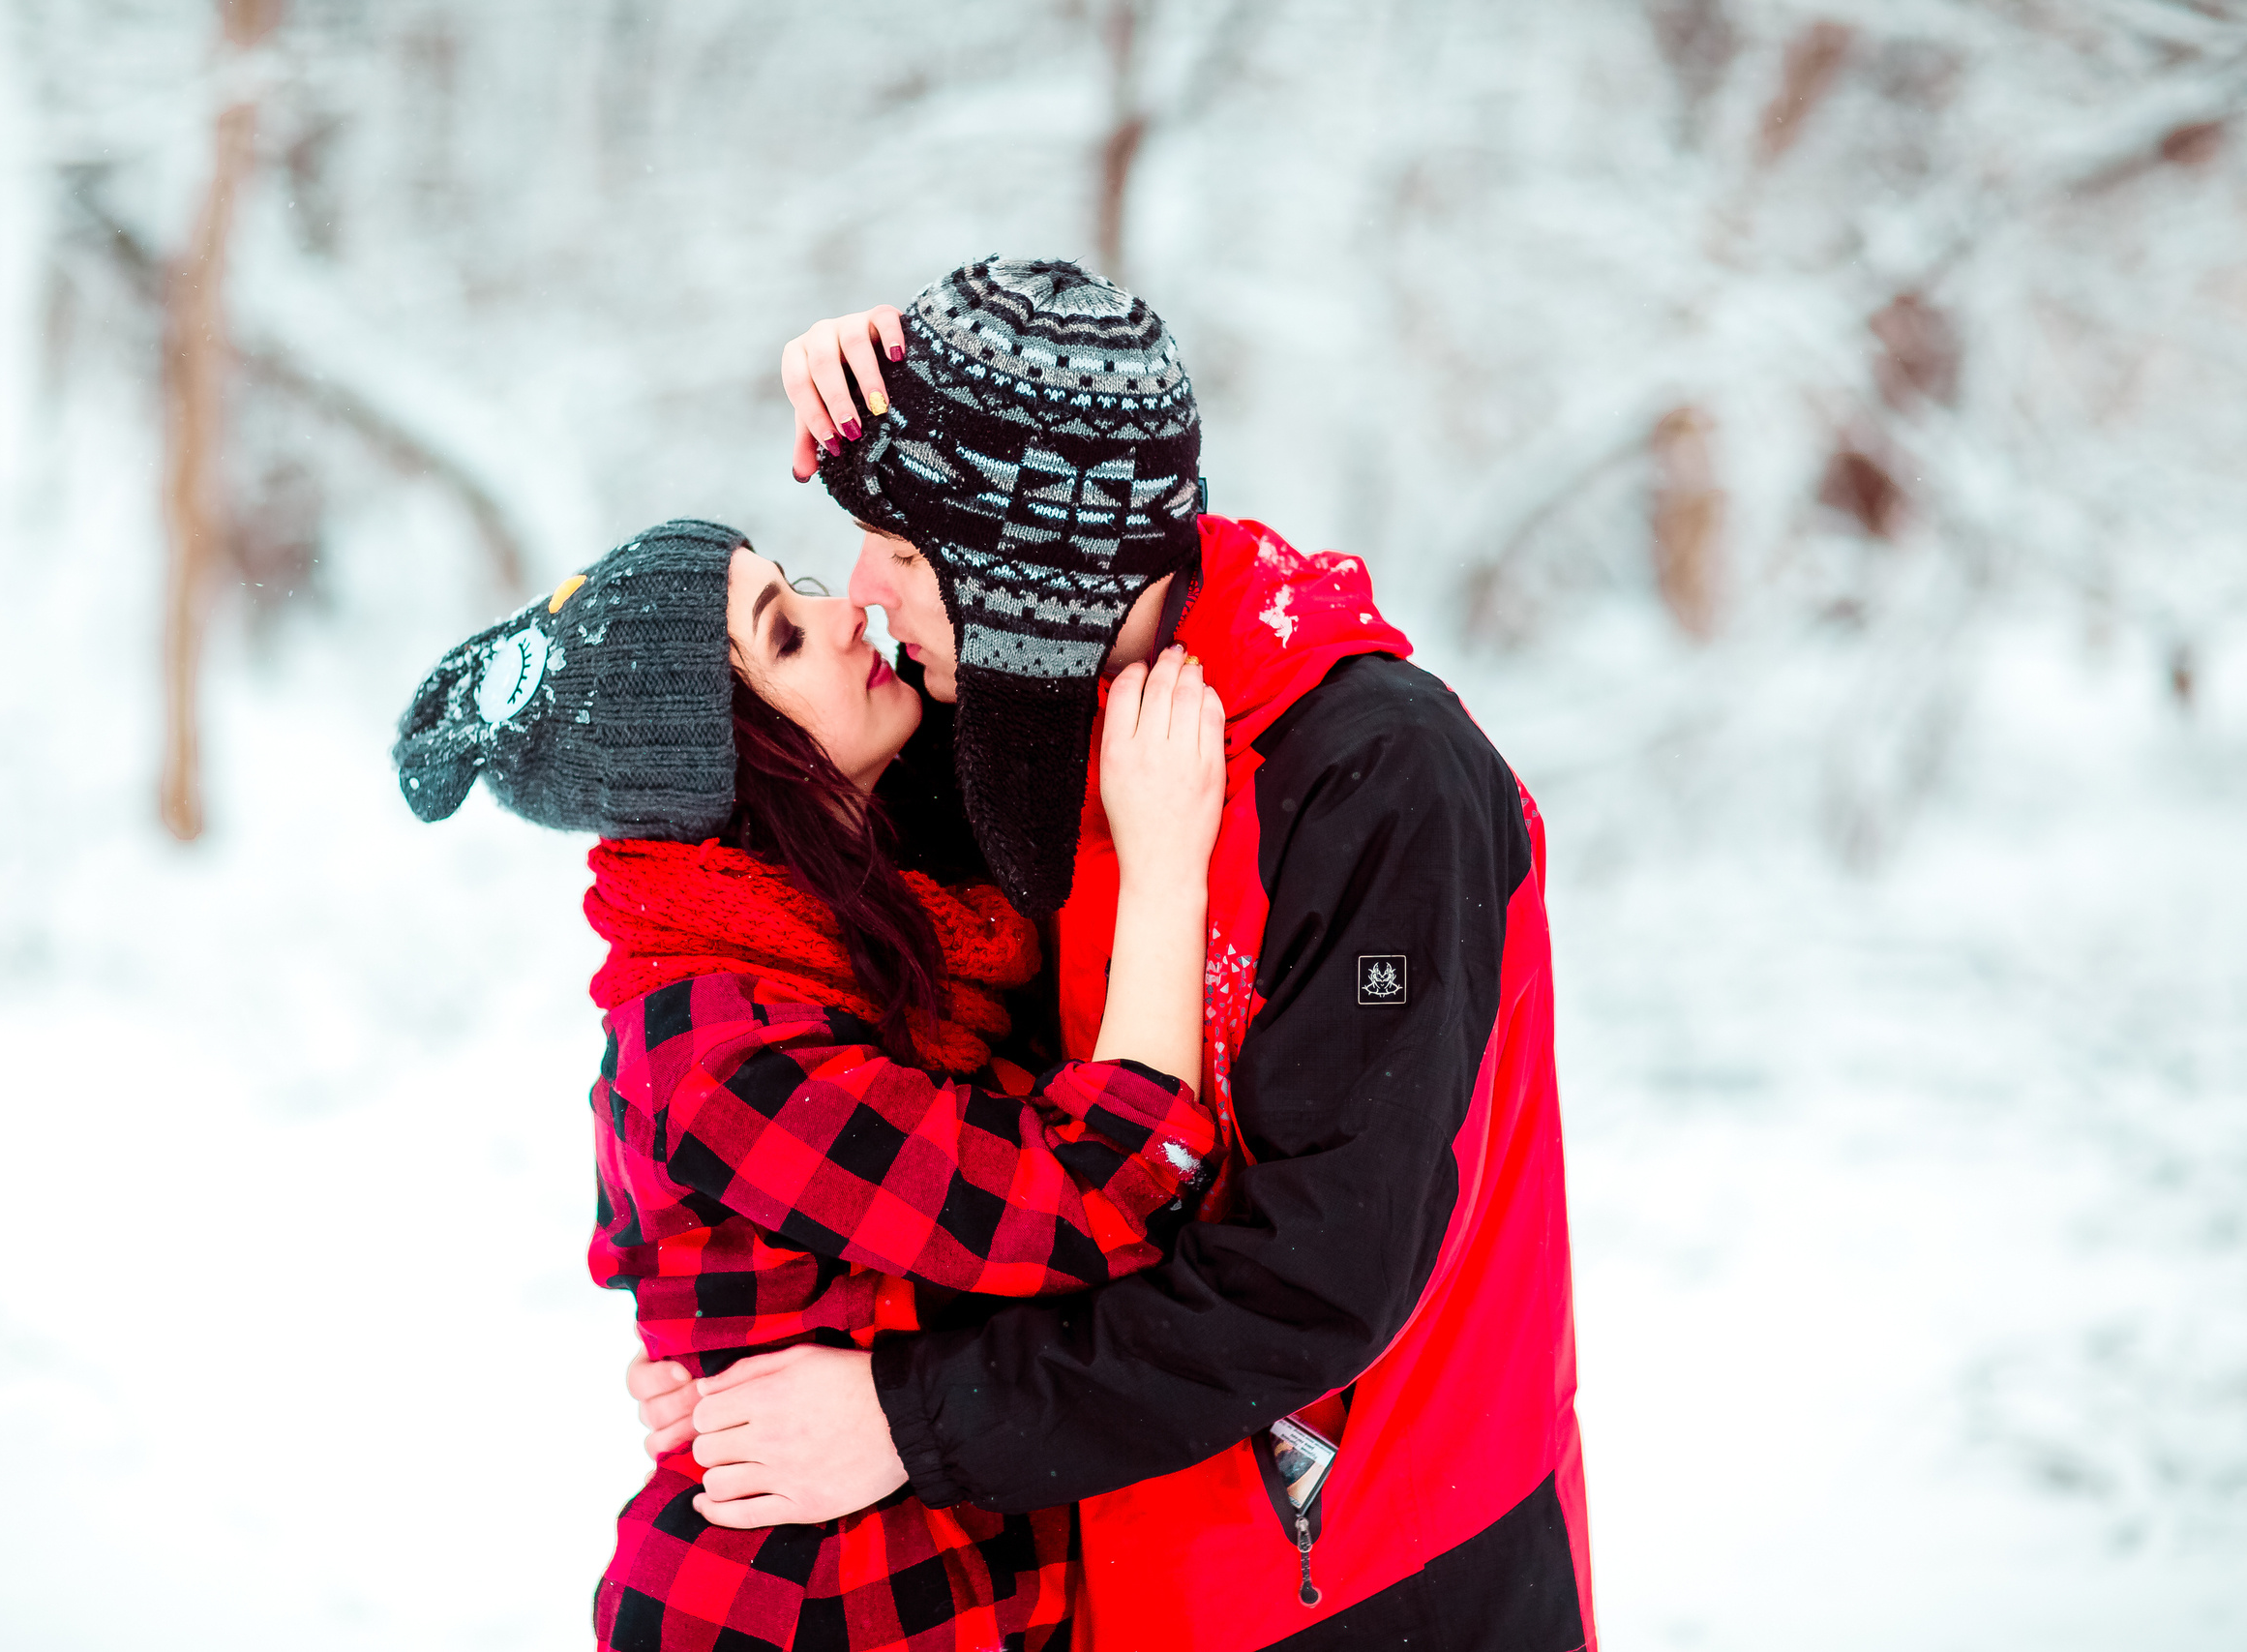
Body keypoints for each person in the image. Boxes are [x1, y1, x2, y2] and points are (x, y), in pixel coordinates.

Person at [629, 259, 1598, 1650]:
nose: (863, 594)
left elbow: (1317, 1270)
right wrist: (743, 1337)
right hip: (1105, 1568)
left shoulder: (1380, 781)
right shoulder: (1004, 732)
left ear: (1032, 578)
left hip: (1386, 1579)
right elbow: (893, 1103)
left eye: (902, 554)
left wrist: (908, 1418)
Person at [391, 517, 1231, 1650]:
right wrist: (1168, 864)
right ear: (729, 767)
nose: (848, 613)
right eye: (783, 636)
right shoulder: (722, 1055)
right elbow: (1096, 1193)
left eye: (799, 588)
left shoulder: (852, 951)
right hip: (809, 1614)